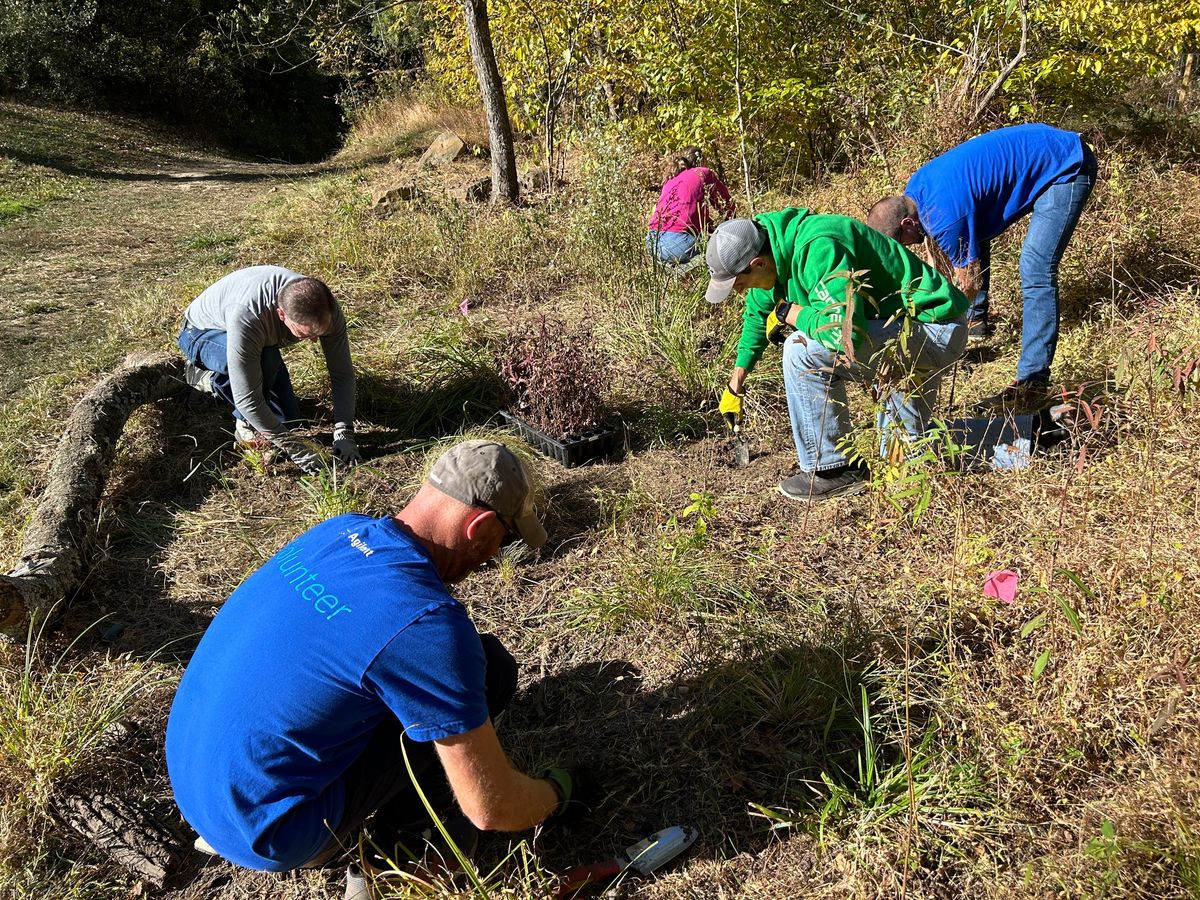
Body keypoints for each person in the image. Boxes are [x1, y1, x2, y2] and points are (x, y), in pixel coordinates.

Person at [166, 440, 581, 884]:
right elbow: (491, 807)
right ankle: (404, 851)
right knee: (490, 672)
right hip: (271, 830)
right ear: (479, 528)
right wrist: (554, 795)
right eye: (505, 538)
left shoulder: (338, 532)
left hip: (195, 781)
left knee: (440, 673)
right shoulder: (425, 625)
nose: (496, 555)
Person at [707, 211, 969, 501]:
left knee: (800, 348)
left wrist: (790, 313)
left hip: (932, 329)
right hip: (894, 331)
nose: (741, 292)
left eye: (740, 284)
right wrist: (736, 383)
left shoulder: (819, 247)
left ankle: (833, 470)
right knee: (901, 464)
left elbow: (844, 337)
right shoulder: (772, 253)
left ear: (757, 263)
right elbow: (757, 316)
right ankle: (1024, 436)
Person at [866, 123, 1098, 401]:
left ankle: (1032, 380)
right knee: (970, 237)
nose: (907, 248)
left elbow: (969, 282)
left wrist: (944, 337)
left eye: (903, 242)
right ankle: (977, 324)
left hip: (1066, 166)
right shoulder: (915, 191)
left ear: (907, 223)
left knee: (1035, 267)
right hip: (1044, 151)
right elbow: (935, 257)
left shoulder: (945, 217)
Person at [177, 265, 360, 473]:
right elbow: (248, 400)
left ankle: (252, 378)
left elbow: (341, 372)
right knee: (266, 358)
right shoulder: (249, 317)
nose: (314, 341)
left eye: (320, 333)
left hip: (260, 343)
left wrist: (344, 430)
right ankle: (208, 381)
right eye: (304, 335)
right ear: (281, 315)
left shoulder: (326, 308)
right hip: (201, 333)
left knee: (291, 422)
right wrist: (294, 448)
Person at [646, 147, 735, 266]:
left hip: (652, 243)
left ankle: (674, 267)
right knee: (723, 247)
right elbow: (726, 202)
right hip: (678, 244)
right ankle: (689, 268)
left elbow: (687, 214)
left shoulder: (671, 179)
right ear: (701, 161)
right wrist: (733, 224)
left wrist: (710, 227)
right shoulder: (703, 172)